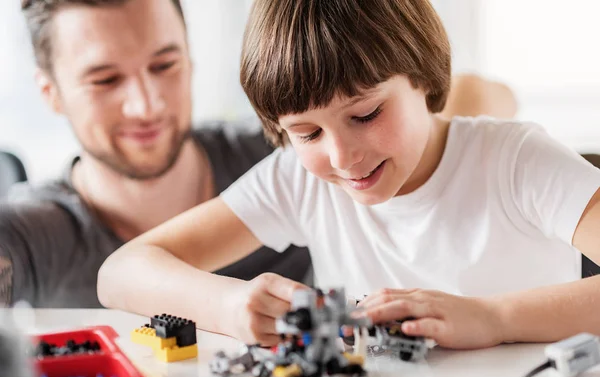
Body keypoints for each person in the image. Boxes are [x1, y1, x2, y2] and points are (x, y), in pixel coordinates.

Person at [98, 0, 600, 349]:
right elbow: (121, 273)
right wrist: (228, 304)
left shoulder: (516, 161)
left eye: (365, 115)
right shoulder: (299, 181)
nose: (342, 158)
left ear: (423, 76)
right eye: (307, 133)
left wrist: (495, 318)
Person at [0, 0, 315, 308]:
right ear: (51, 93)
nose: (146, 106)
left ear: (190, 58)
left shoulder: (294, 149)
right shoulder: (30, 234)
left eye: (164, 65)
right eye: (105, 80)